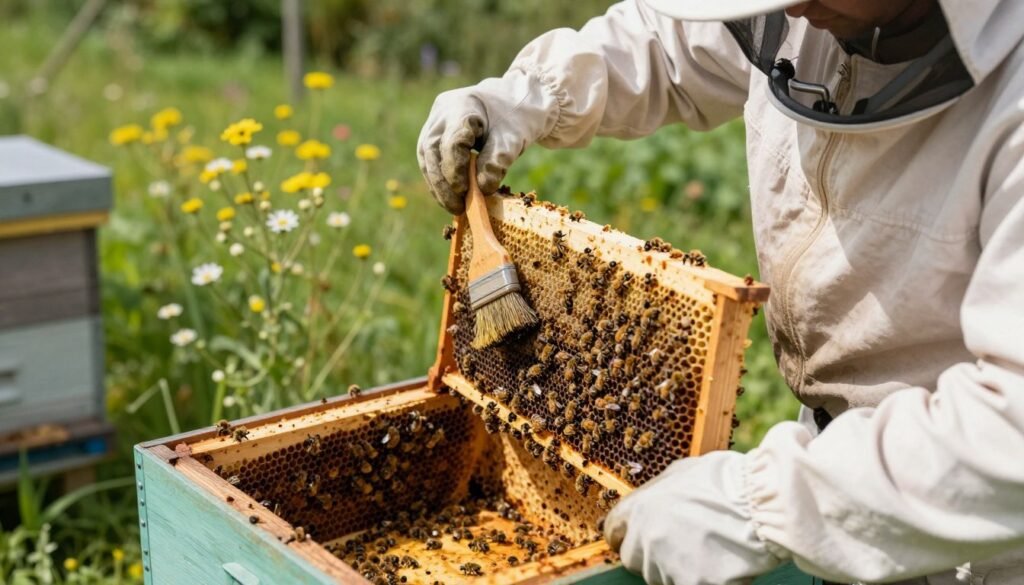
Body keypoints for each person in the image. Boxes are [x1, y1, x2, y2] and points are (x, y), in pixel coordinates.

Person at [417, 0, 1024, 583]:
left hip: (976, 543)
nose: (793, 11)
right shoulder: (812, 17)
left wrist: (755, 509)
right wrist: (530, 95)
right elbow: (669, 42)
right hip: (839, 471)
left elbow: (1011, 437)